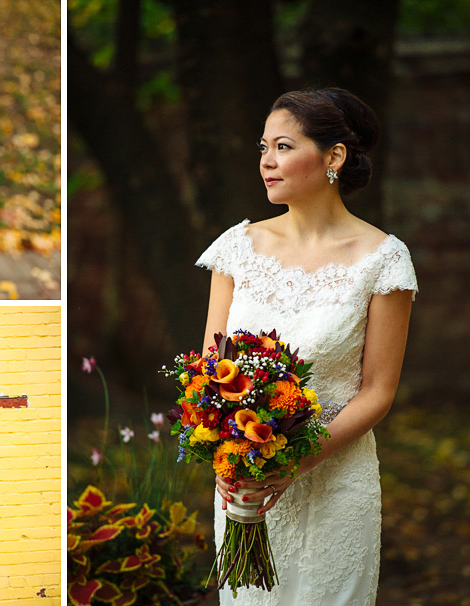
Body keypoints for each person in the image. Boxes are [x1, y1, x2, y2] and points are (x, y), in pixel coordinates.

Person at [196, 88, 417, 605]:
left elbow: (378, 391)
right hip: (243, 484)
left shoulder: (383, 259)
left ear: (333, 156)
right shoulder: (237, 248)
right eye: (263, 148)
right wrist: (228, 455)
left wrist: (292, 462)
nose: (267, 162)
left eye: (284, 147)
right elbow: (210, 369)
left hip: (337, 481)